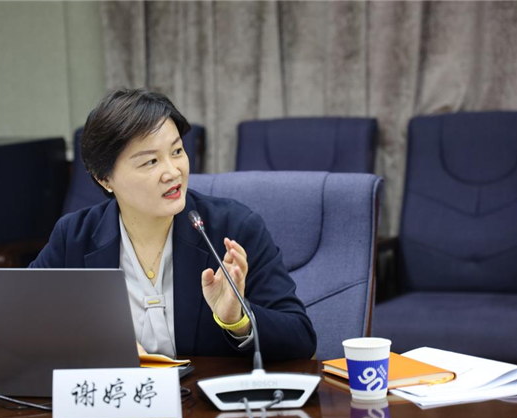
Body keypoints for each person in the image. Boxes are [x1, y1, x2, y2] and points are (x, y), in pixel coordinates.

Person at [30, 88, 316, 361]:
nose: (172, 172)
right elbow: (23, 322)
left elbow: (300, 338)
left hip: (203, 394)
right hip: (118, 394)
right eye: (150, 161)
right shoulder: (74, 237)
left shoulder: (234, 228)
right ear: (104, 178)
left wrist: (238, 320)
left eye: (177, 151)